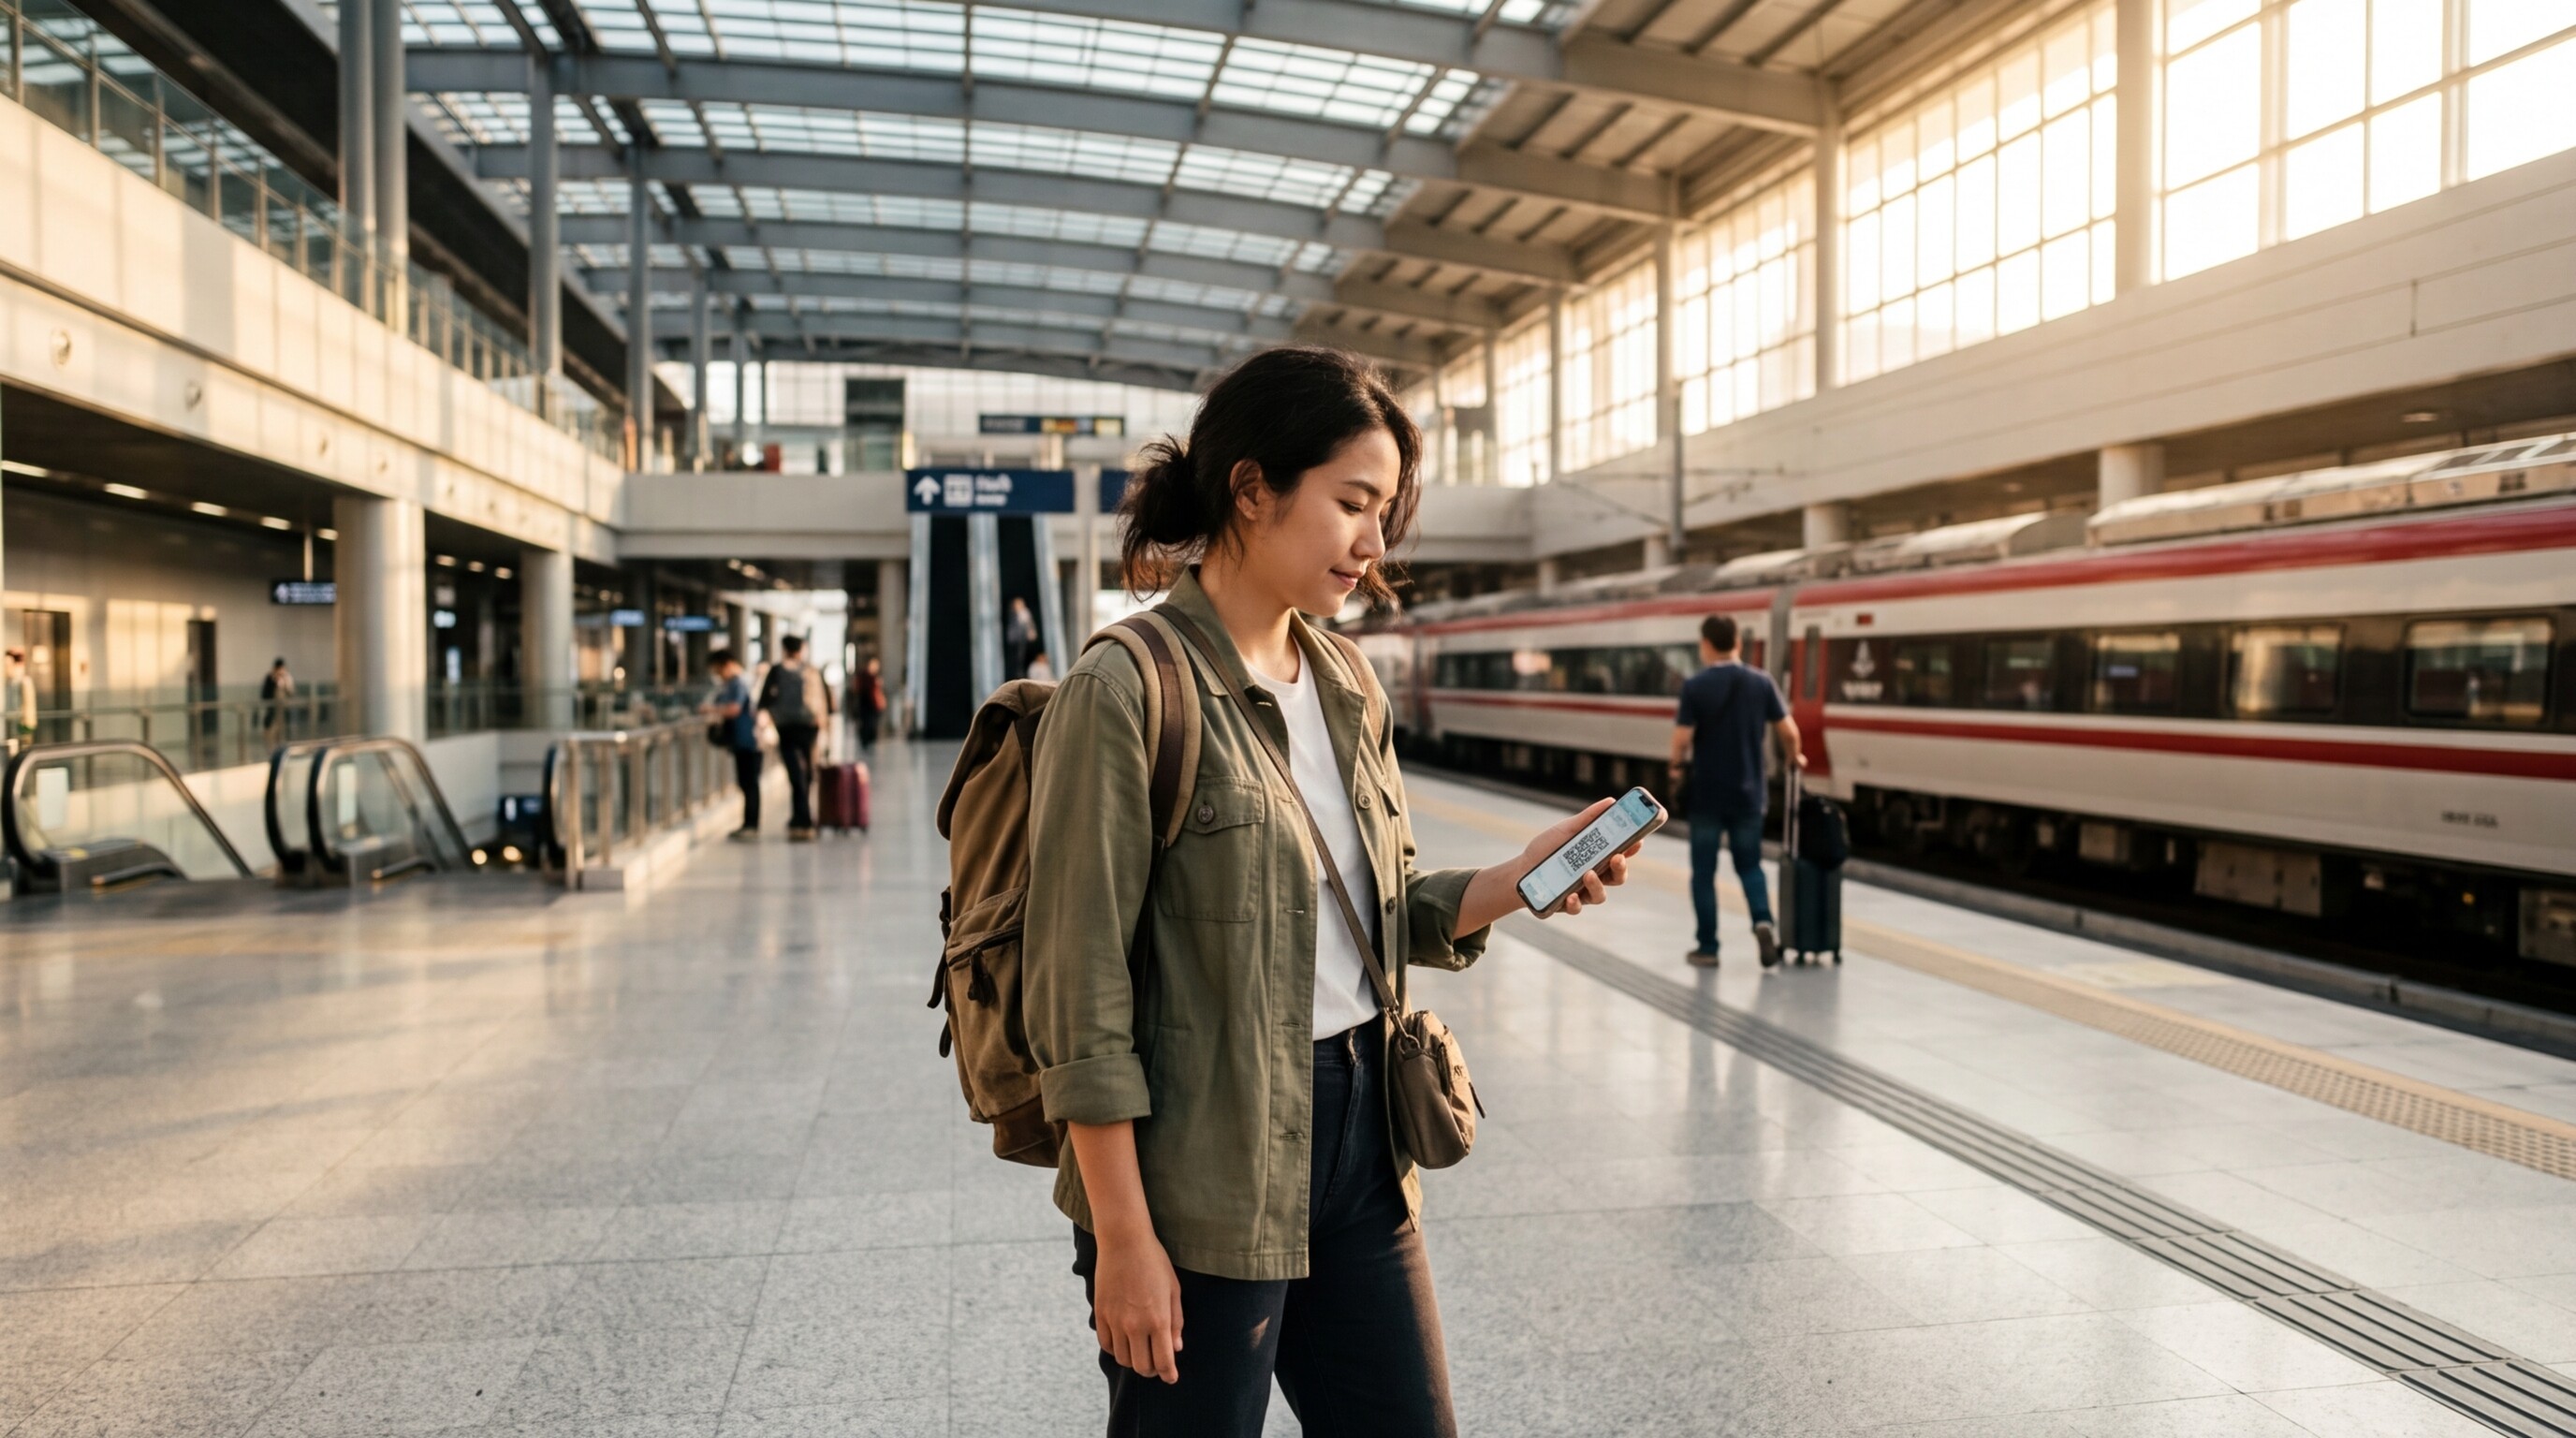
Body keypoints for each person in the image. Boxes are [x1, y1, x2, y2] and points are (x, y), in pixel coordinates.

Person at [1026, 345, 1641, 1438]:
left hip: (1364, 1141)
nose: (1372, 541)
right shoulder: (1125, 688)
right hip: (1196, 1167)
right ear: (1251, 490)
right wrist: (1124, 1241)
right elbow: (1076, 995)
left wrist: (1521, 879)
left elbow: (1384, 909)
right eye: (1351, 503)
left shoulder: (1349, 682)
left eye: (1384, 512)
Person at [1668, 613, 1804, 969]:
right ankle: (1762, 922)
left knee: (1704, 873)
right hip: (1749, 792)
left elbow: (1681, 739)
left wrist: (1675, 767)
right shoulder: (1761, 682)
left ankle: (1708, 947)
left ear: (1706, 644)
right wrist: (1794, 757)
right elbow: (1789, 732)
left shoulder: (1695, 687)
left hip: (1707, 795)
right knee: (1750, 866)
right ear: (1738, 643)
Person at [757, 633, 828, 841]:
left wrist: (772, 716)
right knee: (807, 773)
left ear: (784, 649)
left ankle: (801, 818)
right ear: (802, 649)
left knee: (795, 772)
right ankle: (805, 817)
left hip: (786, 727)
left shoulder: (777, 670)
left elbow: (764, 700)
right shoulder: (812, 670)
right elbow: (828, 702)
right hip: (810, 727)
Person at [704, 649, 762, 840]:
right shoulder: (738, 682)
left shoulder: (738, 683)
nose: (718, 676)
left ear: (727, 665)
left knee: (749, 783)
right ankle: (748, 824)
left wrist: (710, 709)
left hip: (748, 740)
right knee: (747, 782)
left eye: (718, 671)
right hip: (745, 740)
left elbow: (734, 709)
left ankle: (751, 825)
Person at [849, 654, 887, 751]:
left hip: (874, 704)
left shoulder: (874, 676)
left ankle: (870, 741)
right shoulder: (864, 676)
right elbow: (858, 689)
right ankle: (865, 742)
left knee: (872, 724)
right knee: (866, 724)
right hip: (866, 702)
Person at [259, 657, 296, 746]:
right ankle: (270, 743)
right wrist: (275, 681)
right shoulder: (270, 677)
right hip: (273, 706)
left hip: (284, 706)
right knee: (270, 725)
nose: (280, 671)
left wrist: (284, 683)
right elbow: (265, 692)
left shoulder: (287, 677)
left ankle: (283, 742)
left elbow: (291, 692)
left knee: (284, 726)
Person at [4, 649, 35, 755]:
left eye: (8, 665)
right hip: (11, 721)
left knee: (23, 751)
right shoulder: (9, 682)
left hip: (22, 723)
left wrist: (28, 723)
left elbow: (29, 703)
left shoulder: (24, 681)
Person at [1004, 595, 1038, 680]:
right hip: (1016, 640)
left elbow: (1030, 624)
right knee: (1017, 658)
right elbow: (1012, 628)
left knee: (1023, 656)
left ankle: (1023, 673)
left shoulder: (1025, 613)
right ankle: (1018, 674)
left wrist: (1031, 632)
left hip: (1024, 639)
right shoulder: (1013, 614)